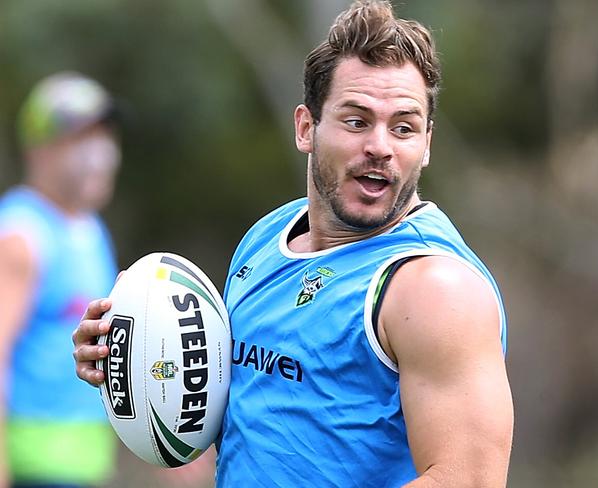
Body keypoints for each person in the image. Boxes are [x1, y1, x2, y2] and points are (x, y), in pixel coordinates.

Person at [73, 1, 514, 486]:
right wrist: (133, 362)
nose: (381, 146)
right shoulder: (267, 238)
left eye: (404, 127)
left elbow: (468, 479)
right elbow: (247, 407)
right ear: (306, 128)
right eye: (356, 120)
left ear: (427, 144)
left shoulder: (433, 289)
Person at [0, 72, 121, 488]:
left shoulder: (90, 229)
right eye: (81, 137)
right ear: (40, 149)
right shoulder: (21, 234)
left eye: (104, 135)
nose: (101, 152)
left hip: (86, 464)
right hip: (31, 464)